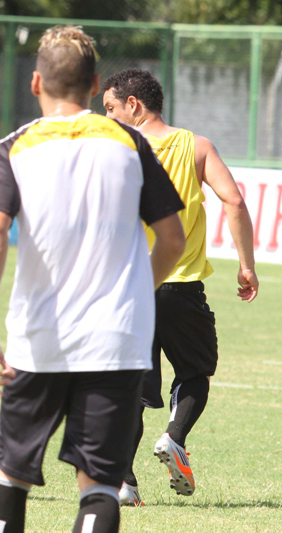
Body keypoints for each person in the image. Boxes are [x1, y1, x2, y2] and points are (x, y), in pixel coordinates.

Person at [0, 25, 187, 533]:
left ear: (35, 83)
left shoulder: (12, 148)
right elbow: (173, 241)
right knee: (97, 486)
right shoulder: (130, 143)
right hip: (116, 341)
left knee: (12, 477)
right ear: (95, 86)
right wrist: (136, 292)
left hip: (37, 339)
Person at [102, 68, 259, 505]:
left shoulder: (115, 149)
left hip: (131, 287)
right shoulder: (198, 147)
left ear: (133, 104)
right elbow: (235, 201)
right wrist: (246, 265)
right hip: (183, 287)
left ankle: (123, 483)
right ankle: (174, 436)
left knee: (132, 388)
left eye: (111, 108)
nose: (109, 118)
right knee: (194, 374)